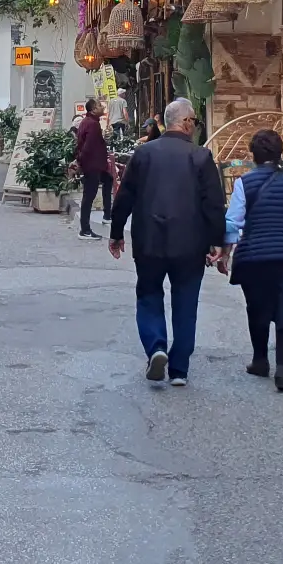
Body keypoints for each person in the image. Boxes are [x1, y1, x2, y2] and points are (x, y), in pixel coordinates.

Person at [109, 98, 224, 386]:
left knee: (148, 295)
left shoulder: (143, 153)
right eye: (194, 121)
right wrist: (217, 241)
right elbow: (213, 203)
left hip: (149, 241)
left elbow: (125, 196)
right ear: (186, 122)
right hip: (190, 244)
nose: (195, 126)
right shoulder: (201, 157)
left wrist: (116, 232)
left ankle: (156, 347)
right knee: (186, 302)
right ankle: (179, 369)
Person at [220, 128, 283, 393]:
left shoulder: (244, 183)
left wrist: (225, 250)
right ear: (280, 154)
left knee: (257, 308)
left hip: (254, 257)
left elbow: (233, 221)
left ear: (253, 155)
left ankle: (260, 361)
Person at [74, 97, 113, 238]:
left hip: (95, 164)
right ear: (93, 109)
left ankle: (107, 215)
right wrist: (80, 161)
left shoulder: (88, 122)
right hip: (92, 165)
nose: (103, 107)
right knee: (89, 196)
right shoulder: (92, 124)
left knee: (108, 180)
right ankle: (85, 230)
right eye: (99, 105)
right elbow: (88, 146)